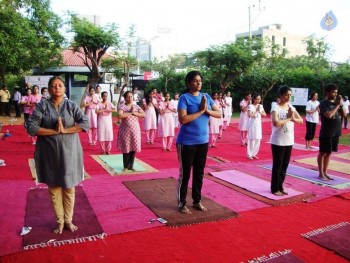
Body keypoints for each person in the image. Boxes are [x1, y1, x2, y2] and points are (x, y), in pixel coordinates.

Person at [26, 76, 90, 234]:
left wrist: (65, 130)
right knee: (54, 188)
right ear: (49, 89)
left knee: (69, 187)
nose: (57, 88)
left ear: (64, 88)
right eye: (53, 86)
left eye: (60, 85)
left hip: (70, 152)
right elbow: (31, 127)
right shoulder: (42, 106)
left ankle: (68, 220)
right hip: (49, 153)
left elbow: (85, 123)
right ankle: (60, 222)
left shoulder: (71, 105)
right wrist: (53, 132)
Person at [176, 71, 221, 214]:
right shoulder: (184, 98)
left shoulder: (206, 97)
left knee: (199, 173)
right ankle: (182, 202)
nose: (198, 83)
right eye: (195, 81)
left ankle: (196, 201)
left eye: (200, 80)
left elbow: (219, 114)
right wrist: (201, 111)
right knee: (185, 174)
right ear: (188, 83)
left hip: (203, 141)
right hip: (186, 142)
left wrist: (206, 109)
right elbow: (182, 119)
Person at [270, 85, 303, 196]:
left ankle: (280, 186)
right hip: (278, 141)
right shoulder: (275, 107)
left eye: (290, 95)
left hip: (289, 140)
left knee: (284, 166)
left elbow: (301, 120)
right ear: (280, 95)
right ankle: (275, 188)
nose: (288, 97)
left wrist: (292, 118)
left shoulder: (291, 107)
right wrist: (289, 118)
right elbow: (275, 122)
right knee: (277, 166)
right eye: (286, 95)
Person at [317, 83, 346, 181]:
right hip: (326, 132)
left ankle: (325, 172)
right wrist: (337, 105)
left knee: (329, 153)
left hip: (335, 132)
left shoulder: (336, 103)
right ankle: (321, 173)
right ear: (327, 92)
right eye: (333, 92)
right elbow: (328, 115)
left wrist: (340, 105)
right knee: (323, 152)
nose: (335, 94)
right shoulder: (323, 103)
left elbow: (344, 115)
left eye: (336, 92)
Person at [117, 91, 145, 172]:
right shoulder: (122, 106)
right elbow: (120, 115)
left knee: (133, 147)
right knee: (126, 147)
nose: (130, 98)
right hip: (125, 130)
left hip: (135, 129)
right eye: (128, 97)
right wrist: (130, 112)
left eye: (131, 96)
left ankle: (131, 165)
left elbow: (143, 114)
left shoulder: (136, 106)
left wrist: (134, 113)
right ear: (125, 98)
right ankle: (125, 166)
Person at [247, 94, 266, 159]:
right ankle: (249, 154)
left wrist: (259, 111)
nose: (258, 100)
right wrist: (256, 111)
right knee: (252, 139)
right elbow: (250, 115)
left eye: (259, 99)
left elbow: (265, 114)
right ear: (254, 99)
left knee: (258, 138)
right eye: (257, 99)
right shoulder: (250, 106)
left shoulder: (261, 106)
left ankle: (254, 154)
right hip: (252, 124)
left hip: (258, 125)